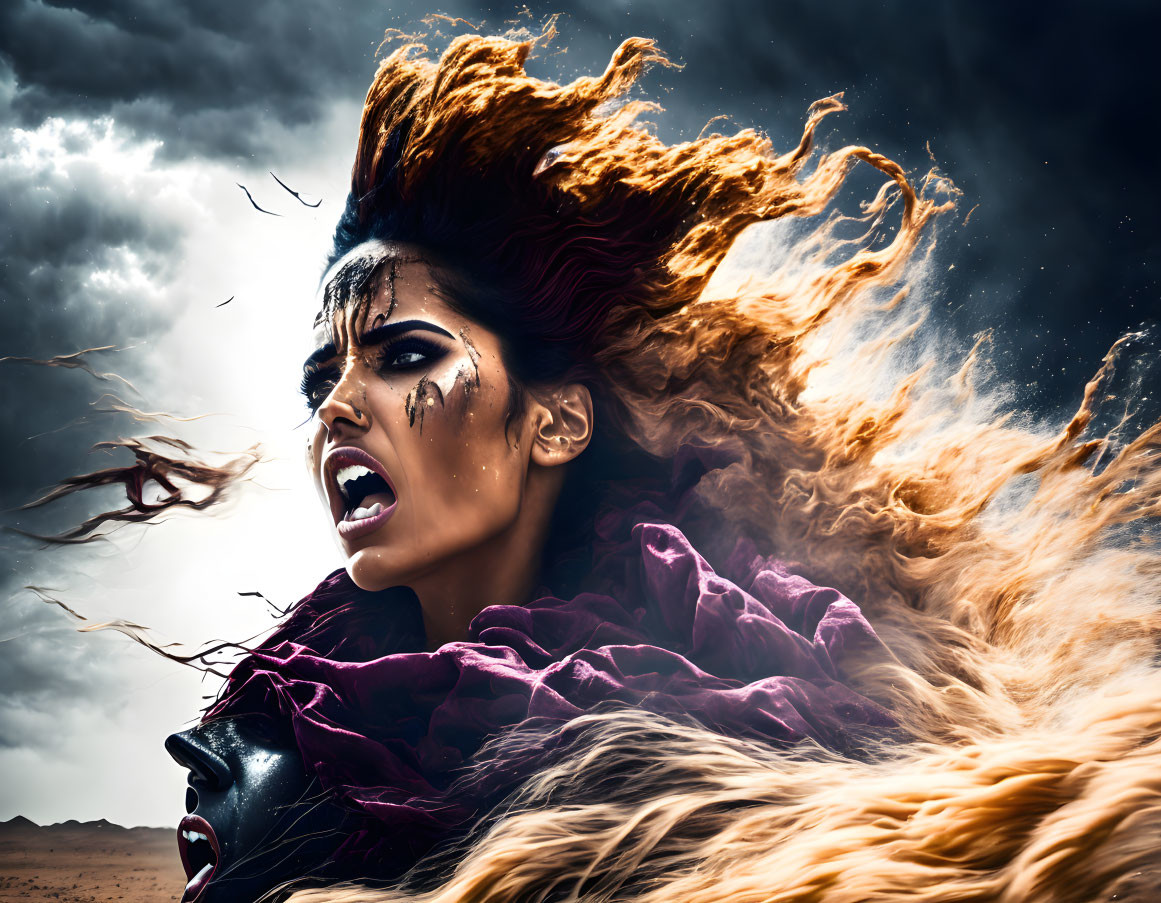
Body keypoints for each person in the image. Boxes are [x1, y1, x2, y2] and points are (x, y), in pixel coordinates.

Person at [168, 27, 1161, 903]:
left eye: (406, 356)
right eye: (320, 383)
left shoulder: (753, 717)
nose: (338, 406)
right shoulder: (274, 760)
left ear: (555, 423)